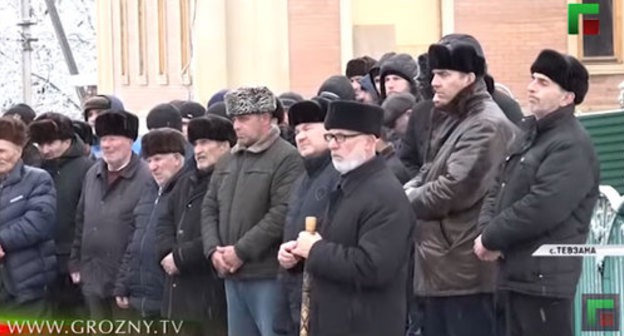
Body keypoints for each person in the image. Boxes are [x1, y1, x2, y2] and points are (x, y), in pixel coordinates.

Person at [475, 49, 600, 336]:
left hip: (545, 281)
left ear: (567, 97)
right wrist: (485, 231)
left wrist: (492, 237)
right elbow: (499, 185)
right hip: (515, 275)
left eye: (543, 82)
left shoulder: (571, 145)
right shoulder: (529, 133)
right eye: (533, 79)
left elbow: (542, 207)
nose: (531, 87)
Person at [403, 37, 517, 336]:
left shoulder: (485, 124)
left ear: (468, 78)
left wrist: (404, 200)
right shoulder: (455, 117)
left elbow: (451, 188)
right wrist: (408, 189)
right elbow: (428, 170)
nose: (433, 82)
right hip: (444, 270)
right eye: (433, 74)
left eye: (443, 75)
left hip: (465, 272)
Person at [282, 100, 414, 335]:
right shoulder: (347, 185)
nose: (333, 145)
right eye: (331, 137)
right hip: (335, 319)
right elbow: (336, 242)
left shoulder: (385, 194)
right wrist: (298, 255)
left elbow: (373, 267)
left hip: (366, 323)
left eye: (342, 137)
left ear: (369, 141)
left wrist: (314, 250)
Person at [201, 86, 304, 336]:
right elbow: (209, 207)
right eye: (234, 119)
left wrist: (240, 251)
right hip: (230, 273)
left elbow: (281, 212)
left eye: (244, 119)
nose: (236, 126)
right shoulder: (228, 160)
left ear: (266, 119)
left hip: (266, 274)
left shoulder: (286, 158)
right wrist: (213, 250)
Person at [156, 115, 236, 336]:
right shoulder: (185, 182)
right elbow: (164, 220)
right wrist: (165, 253)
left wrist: (181, 258)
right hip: (177, 293)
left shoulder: (231, 181)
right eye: (195, 144)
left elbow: (223, 231)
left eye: (205, 143)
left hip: (208, 293)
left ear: (225, 146)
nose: (198, 150)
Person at [69, 110, 152, 320]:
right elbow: (81, 220)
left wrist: (127, 282)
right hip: (93, 277)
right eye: (103, 139)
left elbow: (144, 233)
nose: (106, 145)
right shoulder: (93, 173)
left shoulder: (146, 177)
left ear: (130, 141)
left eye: (113, 138)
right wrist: (75, 262)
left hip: (127, 283)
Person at [274, 95, 340, 335]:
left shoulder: (338, 175)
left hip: (323, 291)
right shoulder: (304, 178)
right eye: (297, 130)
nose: (300, 136)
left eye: (309, 128)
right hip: (294, 287)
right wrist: (285, 252)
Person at [114, 128, 188, 319]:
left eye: (158, 159)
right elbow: (134, 241)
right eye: (149, 161)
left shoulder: (187, 193)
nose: (153, 167)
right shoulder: (149, 192)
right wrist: (123, 284)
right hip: (140, 298)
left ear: (178, 159)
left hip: (170, 300)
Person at [29, 113, 94, 318]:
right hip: (43, 257)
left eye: (51, 143)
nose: (45, 150)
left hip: (72, 259)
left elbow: (88, 216)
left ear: (67, 140)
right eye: (40, 144)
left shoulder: (87, 168)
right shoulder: (38, 169)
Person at [0, 117, 57, 317]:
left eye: (2, 151)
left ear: (18, 151)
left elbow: (39, 221)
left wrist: (3, 242)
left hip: (25, 284)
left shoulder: (37, 179)